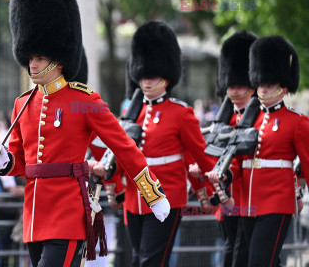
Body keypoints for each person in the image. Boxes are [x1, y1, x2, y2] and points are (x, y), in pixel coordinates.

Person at [0, 0, 170, 267]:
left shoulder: (85, 101)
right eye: (30, 56)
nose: (32, 64)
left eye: (40, 56)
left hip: (67, 213)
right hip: (34, 215)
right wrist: (3, 162)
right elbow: (22, 163)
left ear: (58, 58)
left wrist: (152, 193)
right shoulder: (23, 103)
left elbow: (123, 147)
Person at [93, 20, 216, 267]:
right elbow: (116, 156)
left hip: (166, 194)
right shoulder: (130, 113)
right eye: (144, 76)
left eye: (153, 76)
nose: (147, 81)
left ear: (166, 75)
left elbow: (200, 155)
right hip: (133, 197)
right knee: (138, 260)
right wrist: (111, 182)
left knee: (151, 262)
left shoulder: (182, 113)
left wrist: (209, 192)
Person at [208, 35, 309, 267]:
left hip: (276, 201)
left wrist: (299, 191)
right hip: (247, 202)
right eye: (261, 84)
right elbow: (237, 157)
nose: (263, 89)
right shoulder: (248, 119)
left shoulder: (296, 122)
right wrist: (226, 173)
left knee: (259, 261)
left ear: (283, 87)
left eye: (269, 84)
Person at [192, 31, 257, 267]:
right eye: (231, 86)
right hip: (227, 203)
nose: (235, 92)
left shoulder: (260, 119)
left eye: (241, 86)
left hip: (251, 202)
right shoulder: (224, 121)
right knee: (231, 254)